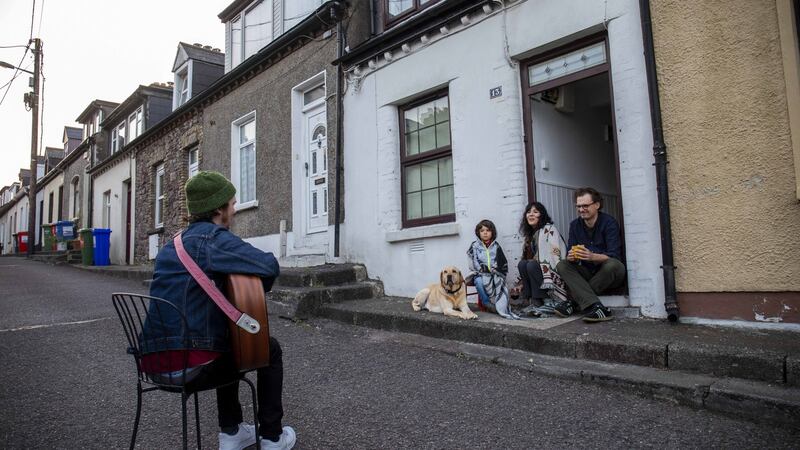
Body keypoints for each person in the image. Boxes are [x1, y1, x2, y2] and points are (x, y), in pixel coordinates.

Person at [141, 171, 296, 450]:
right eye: (232, 204)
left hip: (154, 364)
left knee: (227, 338)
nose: (234, 210)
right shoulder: (213, 240)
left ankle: (233, 432)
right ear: (218, 209)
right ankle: (272, 437)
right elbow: (268, 265)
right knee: (267, 349)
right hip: (192, 366)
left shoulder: (169, 247)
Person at [555, 187, 626, 323]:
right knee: (562, 264)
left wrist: (592, 256)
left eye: (585, 206)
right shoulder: (575, 225)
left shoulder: (609, 223)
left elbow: (615, 256)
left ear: (597, 205)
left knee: (612, 265)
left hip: (610, 274)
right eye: (579, 206)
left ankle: (573, 302)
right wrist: (572, 257)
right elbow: (571, 252)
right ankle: (598, 308)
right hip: (589, 273)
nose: (581, 210)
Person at [516, 202, 568, 317]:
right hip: (539, 270)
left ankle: (549, 302)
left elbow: (554, 255)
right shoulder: (530, 235)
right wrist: (519, 283)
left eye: (535, 212)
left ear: (542, 215)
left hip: (553, 272)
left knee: (531, 265)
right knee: (522, 264)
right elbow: (526, 258)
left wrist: (535, 261)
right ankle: (535, 302)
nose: (531, 215)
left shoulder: (549, 230)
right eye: (528, 212)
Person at [467, 219, 519, 320]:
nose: (485, 233)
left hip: (494, 273)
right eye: (482, 231)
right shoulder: (474, 246)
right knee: (478, 281)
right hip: (480, 273)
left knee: (500, 281)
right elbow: (473, 262)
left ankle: (501, 305)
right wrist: (482, 270)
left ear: (492, 232)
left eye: (488, 230)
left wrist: (495, 270)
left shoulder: (496, 246)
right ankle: (487, 303)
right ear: (478, 233)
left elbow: (501, 262)